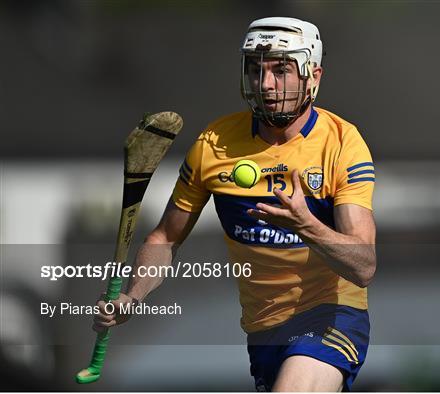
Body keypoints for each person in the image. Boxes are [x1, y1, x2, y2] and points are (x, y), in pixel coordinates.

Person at [93, 17, 376, 392]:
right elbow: (165, 238)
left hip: (332, 317)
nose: (267, 84)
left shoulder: (343, 144)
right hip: (263, 331)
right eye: (256, 70)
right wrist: (132, 296)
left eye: (281, 70)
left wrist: (306, 225)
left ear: (313, 75)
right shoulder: (213, 144)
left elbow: (364, 265)